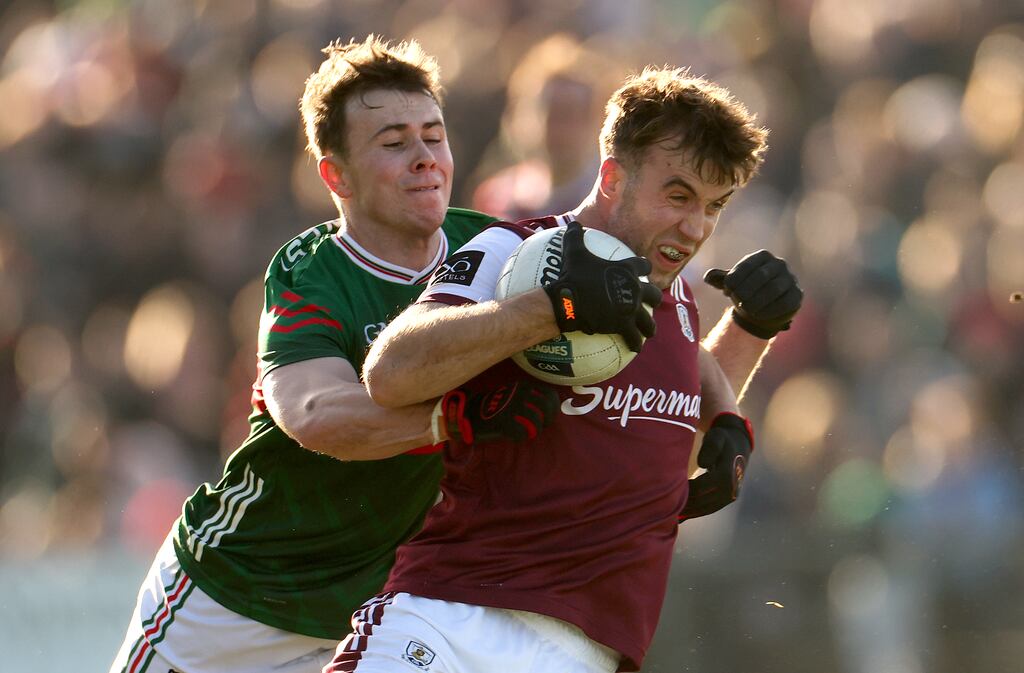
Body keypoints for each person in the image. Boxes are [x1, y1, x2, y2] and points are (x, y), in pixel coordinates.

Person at [329, 66, 802, 673]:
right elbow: (391, 371)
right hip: (451, 620)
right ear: (611, 176)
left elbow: (652, 430)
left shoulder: (677, 299)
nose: (695, 228)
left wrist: (749, 334)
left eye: (714, 206)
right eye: (678, 195)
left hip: (584, 655)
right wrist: (550, 308)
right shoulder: (519, 253)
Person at [109, 35, 557, 673]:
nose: (426, 158)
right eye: (395, 143)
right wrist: (450, 420)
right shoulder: (311, 270)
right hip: (235, 594)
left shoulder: (493, 250)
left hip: (375, 613)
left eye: (434, 135)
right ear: (335, 174)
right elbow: (318, 415)